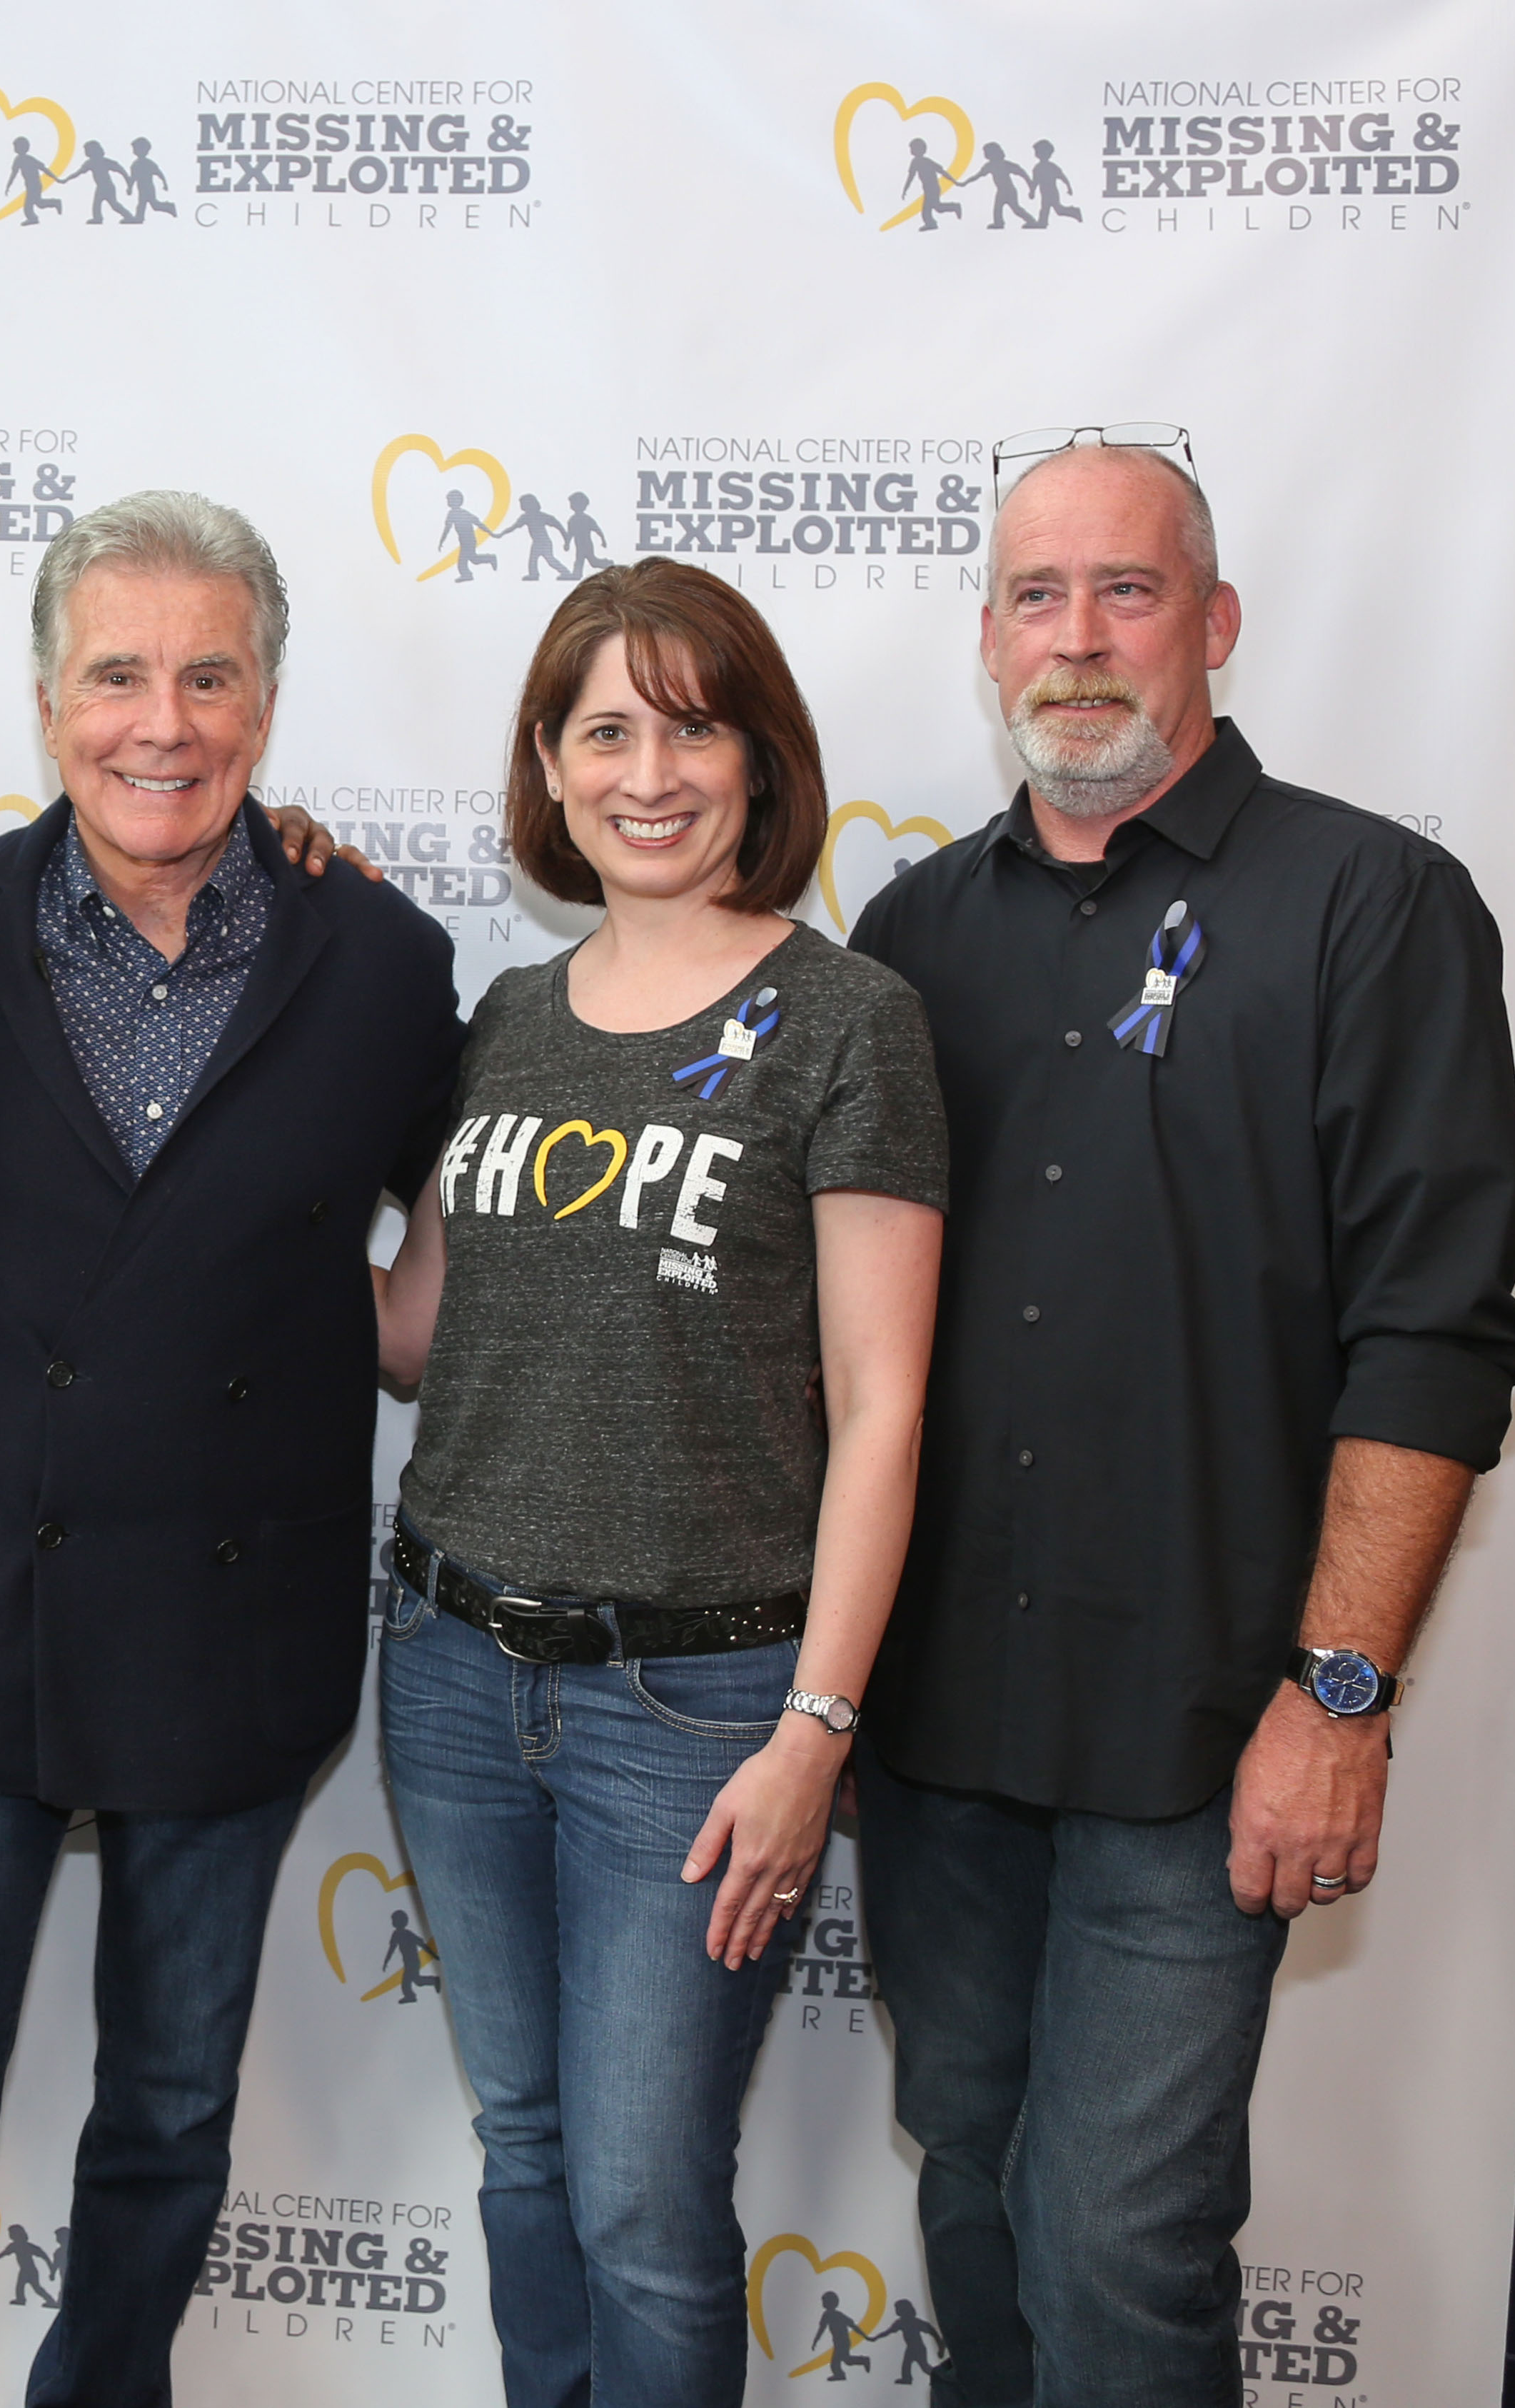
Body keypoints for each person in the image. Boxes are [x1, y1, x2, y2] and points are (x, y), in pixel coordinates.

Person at [845, 431, 1515, 2402]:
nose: (1081, 639)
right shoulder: (908, 940)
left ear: (1213, 621)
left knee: (1120, 2243)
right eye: (1039, 597)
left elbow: (1437, 1330)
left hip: (1210, 1725)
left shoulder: (1375, 906)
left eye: (1127, 590)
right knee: (973, 2185)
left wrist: (1339, 1697)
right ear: (988, 637)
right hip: (941, 1731)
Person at [0, 491, 462, 2408]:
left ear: (267, 699)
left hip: (236, 1633)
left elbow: (466, 1239)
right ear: (42, 697)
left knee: (168, 2117)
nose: (158, 721)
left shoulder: (385, 959)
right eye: (115, 674)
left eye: (206, 673)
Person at [375, 558, 947, 2407]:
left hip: (694, 1714)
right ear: (547, 762)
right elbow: (418, 1334)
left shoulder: (853, 1022)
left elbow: (883, 1405)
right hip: (454, 1677)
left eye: (690, 724)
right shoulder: (511, 1018)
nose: (647, 769)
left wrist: (816, 1730)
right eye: (603, 726)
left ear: (756, 752)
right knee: (526, 2155)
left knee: (638, 2201)